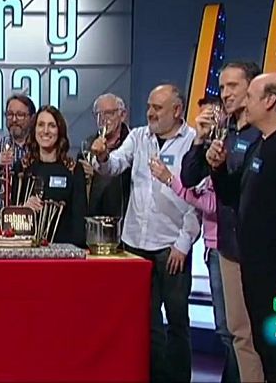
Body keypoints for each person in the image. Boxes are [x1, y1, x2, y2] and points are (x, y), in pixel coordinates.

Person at [208, 72, 276, 382]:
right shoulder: (261, 145)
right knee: (265, 349)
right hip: (255, 271)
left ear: (270, 100)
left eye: (250, 96)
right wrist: (218, 168)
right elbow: (233, 196)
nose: (244, 103)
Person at [91, 83, 200, 382]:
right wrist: (102, 157)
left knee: (177, 320)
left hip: (171, 246)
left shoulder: (192, 142)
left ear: (177, 111)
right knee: (146, 320)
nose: (150, 112)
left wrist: (183, 243)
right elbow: (114, 166)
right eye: (149, 106)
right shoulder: (139, 137)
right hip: (136, 243)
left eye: (157, 108)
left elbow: (198, 198)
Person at [181, 61, 264, 382]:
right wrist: (199, 140)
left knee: (259, 334)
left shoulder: (264, 134)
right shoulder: (223, 132)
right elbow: (189, 177)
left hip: (258, 249)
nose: (225, 93)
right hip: (227, 247)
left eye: (233, 86)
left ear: (253, 87)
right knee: (233, 332)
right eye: (222, 86)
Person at [149, 158, 238, 382]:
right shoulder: (204, 158)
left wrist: (170, 180)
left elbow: (212, 204)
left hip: (228, 249)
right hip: (214, 248)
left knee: (233, 332)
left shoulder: (231, 161)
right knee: (226, 330)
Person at [16, 105, 87, 247]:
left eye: (52, 126)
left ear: (59, 130)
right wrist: (24, 209)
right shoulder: (22, 168)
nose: (46, 131)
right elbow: (10, 218)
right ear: (34, 130)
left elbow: (79, 222)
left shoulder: (73, 169)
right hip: (27, 248)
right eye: (41, 125)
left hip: (63, 249)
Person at [77, 93, 131, 223]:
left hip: (125, 219)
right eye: (98, 114)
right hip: (95, 219)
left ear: (122, 115)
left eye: (109, 113)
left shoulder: (133, 144)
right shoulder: (87, 146)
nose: (103, 119)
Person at [0, 93, 35, 209]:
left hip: (32, 216)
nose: (14, 120)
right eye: (10, 114)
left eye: (20, 115)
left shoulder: (39, 149)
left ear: (32, 118)